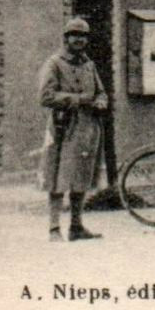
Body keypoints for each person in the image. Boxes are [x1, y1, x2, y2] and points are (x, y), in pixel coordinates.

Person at [39, 17, 110, 242]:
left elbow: (101, 92)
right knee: (58, 177)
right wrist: (78, 100)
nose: (79, 40)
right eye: (74, 35)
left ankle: (76, 227)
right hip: (63, 127)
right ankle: (53, 228)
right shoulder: (55, 63)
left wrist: (101, 101)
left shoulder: (89, 65)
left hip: (87, 128)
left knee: (81, 176)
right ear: (66, 38)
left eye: (83, 36)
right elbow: (46, 96)